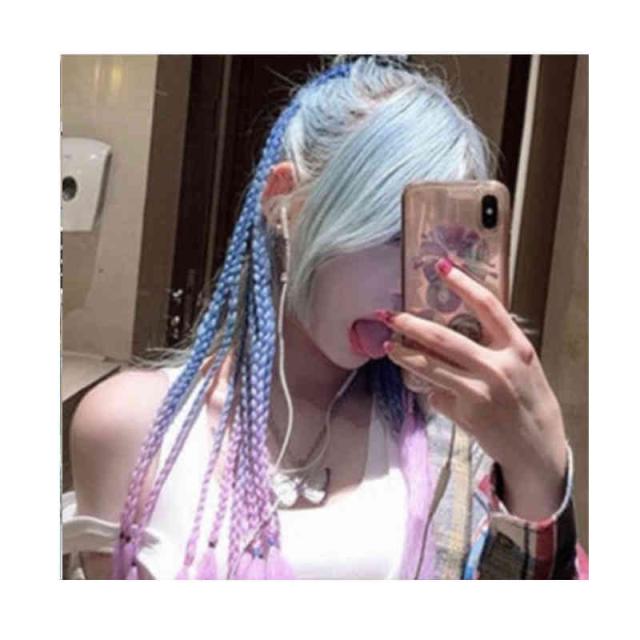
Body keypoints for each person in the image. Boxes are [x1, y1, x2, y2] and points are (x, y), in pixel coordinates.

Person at [62, 55, 589, 579]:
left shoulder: (452, 434)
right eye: (391, 235)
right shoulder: (133, 426)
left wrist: (536, 470)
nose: (415, 284)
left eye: (441, 249)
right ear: (283, 203)